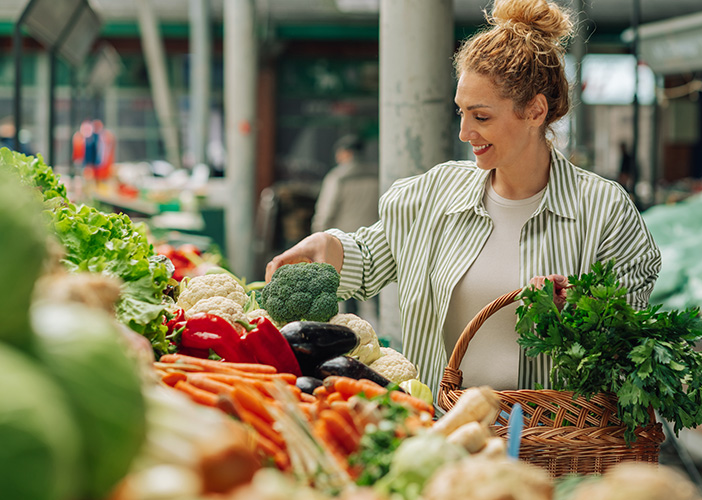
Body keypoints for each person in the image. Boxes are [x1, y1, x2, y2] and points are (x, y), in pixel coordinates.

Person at [265, 0, 661, 396]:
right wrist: (328, 246)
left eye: (481, 116)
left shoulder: (604, 211)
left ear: (535, 111)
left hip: (553, 444)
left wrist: (580, 309)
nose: (465, 132)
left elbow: (634, 340)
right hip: (441, 431)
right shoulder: (432, 195)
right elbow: (369, 259)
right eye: (461, 112)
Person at [311, 134, 380, 319]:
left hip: (345, 242)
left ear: (346, 153)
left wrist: (317, 236)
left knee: (349, 294)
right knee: (376, 291)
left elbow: (325, 212)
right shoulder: (378, 175)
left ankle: (354, 334)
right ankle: (380, 330)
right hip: (375, 241)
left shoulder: (338, 177)